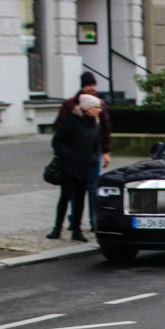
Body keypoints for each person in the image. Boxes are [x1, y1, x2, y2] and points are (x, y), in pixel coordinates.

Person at [55, 71, 111, 231]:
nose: (91, 88)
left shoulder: (99, 104)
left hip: (91, 153)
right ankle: (74, 221)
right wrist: (66, 151)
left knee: (92, 187)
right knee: (72, 190)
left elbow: (106, 128)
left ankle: (94, 221)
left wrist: (106, 150)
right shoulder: (71, 104)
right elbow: (60, 129)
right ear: (82, 86)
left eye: (93, 85)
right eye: (88, 85)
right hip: (74, 154)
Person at [49, 93, 101, 242]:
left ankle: (76, 230)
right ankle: (57, 228)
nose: (99, 110)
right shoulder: (71, 121)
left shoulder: (93, 124)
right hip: (69, 167)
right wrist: (67, 155)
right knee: (65, 197)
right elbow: (57, 141)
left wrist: (92, 159)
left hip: (85, 168)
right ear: (87, 108)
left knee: (79, 200)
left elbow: (95, 144)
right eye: (95, 107)